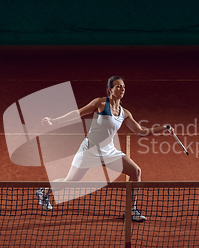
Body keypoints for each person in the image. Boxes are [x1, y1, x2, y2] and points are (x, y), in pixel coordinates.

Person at [36, 76, 173, 222]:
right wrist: (54, 120)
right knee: (71, 181)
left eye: (123, 87)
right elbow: (78, 113)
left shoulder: (124, 113)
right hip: (89, 151)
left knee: (136, 171)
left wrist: (163, 128)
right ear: (110, 89)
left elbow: (140, 131)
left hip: (109, 152)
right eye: (118, 86)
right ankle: (43, 192)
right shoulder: (100, 103)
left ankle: (131, 210)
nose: (122, 89)